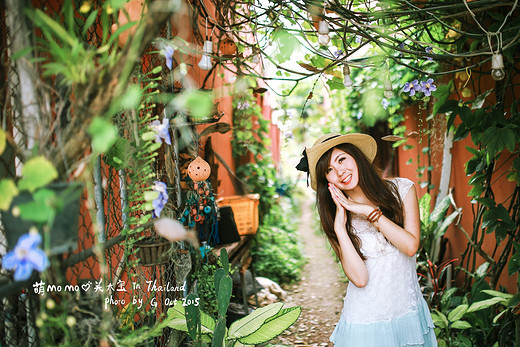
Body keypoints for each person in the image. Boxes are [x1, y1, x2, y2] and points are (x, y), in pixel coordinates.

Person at [296, 133, 437, 347]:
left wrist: (369, 211)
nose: (340, 172)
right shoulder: (338, 219)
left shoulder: (402, 189)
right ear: (328, 181)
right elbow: (360, 279)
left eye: (341, 159)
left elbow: (410, 246)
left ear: (357, 157)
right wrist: (340, 228)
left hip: (408, 313)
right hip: (365, 322)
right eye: (329, 170)